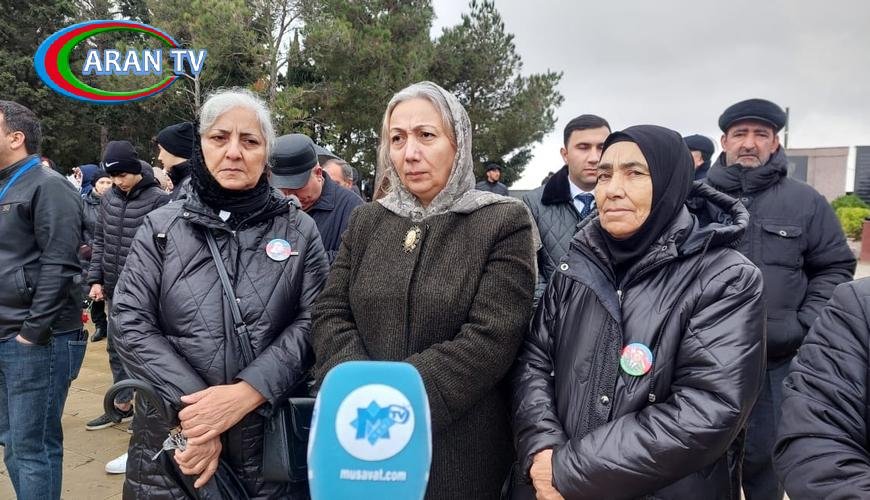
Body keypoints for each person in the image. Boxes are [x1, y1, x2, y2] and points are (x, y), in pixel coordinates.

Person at [512, 125, 766, 499]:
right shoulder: (578, 264)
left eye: (634, 173)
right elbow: (534, 360)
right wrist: (543, 447)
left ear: (669, 183)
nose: (613, 189)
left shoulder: (726, 278)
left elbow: (707, 409)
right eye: (604, 175)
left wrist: (571, 470)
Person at [313, 81, 536, 499]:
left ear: (458, 143)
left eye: (426, 135)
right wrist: (362, 390)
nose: (409, 153)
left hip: (456, 451)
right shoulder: (368, 221)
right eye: (397, 139)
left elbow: (492, 336)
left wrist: (400, 402)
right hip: (362, 439)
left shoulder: (502, 222)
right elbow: (331, 312)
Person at [110, 88, 328, 497]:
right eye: (219, 137)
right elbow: (129, 320)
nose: (234, 152)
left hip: (268, 442)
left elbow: (315, 319)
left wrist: (248, 392)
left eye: (250, 141)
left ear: (266, 153)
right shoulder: (161, 227)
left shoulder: (299, 229)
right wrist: (199, 414)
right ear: (201, 146)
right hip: (176, 435)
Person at [703, 98, 856, 500]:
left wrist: (803, 325)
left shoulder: (806, 202)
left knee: (768, 468)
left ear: (774, 143)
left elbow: (835, 266)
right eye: (740, 134)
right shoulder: (697, 201)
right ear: (724, 141)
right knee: (702, 468)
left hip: (776, 366)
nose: (749, 143)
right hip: (704, 365)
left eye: (761, 134)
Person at [0, 100, 86, 500]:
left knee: (33, 446)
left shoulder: (49, 185)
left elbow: (60, 263)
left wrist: (32, 333)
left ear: (15, 138)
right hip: (7, 332)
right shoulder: (8, 185)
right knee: (13, 440)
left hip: (36, 339)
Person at [86, 140, 170, 434]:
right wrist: (96, 279)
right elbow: (100, 240)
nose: (118, 182)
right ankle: (122, 403)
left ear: (135, 169)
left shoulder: (159, 200)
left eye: (122, 175)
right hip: (114, 288)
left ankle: (149, 412)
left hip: (146, 292)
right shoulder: (109, 199)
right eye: (113, 176)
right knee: (115, 348)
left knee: (144, 352)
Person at [773, 278, 870, 498]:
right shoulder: (858, 303)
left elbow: (832, 267)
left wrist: (795, 327)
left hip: (782, 349)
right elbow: (815, 436)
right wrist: (799, 326)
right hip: (775, 354)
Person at [522, 114, 610, 305]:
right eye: (583, 147)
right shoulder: (533, 203)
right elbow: (530, 272)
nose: (594, 158)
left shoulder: (626, 201)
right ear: (565, 154)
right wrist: (553, 312)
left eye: (602, 147)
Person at [270, 134, 364, 263]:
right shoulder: (272, 202)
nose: (290, 197)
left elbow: (354, 259)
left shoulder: (352, 208)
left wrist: (299, 262)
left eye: (297, 188)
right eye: (283, 190)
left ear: (318, 174)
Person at [81, 168, 113, 342]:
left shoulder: (116, 201)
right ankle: (100, 325)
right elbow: (76, 228)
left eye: (109, 182)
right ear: (94, 184)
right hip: (90, 255)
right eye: (102, 182)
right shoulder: (83, 204)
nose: (106, 186)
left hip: (112, 253)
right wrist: (84, 247)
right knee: (95, 290)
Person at [156, 121, 194, 200]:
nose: (159, 157)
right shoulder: (183, 183)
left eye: (161, 149)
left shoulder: (191, 187)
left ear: (175, 150)